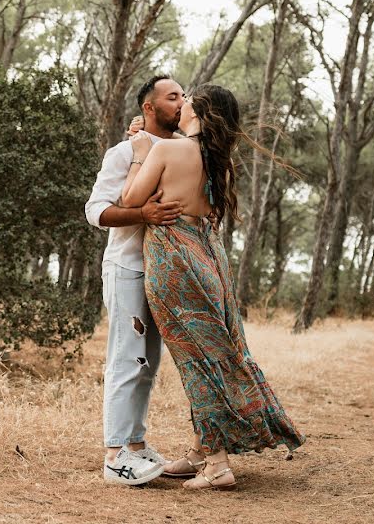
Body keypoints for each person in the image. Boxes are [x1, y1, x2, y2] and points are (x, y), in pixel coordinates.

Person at [120, 83, 305, 490]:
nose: (181, 104)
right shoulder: (220, 161)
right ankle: (203, 448)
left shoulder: (166, 151)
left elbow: (131, 198)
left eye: (187, 100)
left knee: (195, 359)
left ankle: (218, 465)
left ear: (200, 112)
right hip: (209, 260)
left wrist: (138, 153)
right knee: (216, 351)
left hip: (175, 262)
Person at [84, 76, 186, 485]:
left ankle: (137, 446)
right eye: (173, 97)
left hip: (163, 273)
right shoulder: (123, 152)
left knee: (149, 362)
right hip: (127, 267)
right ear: (149, 108)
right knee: (127, 358)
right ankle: (114, 456)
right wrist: (143, 215)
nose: (181, 103)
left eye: (184, 96)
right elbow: (97, 211)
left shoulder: (179, 152)